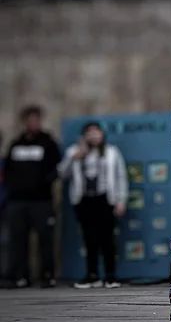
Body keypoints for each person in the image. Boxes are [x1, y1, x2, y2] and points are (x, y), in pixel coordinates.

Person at [59, 122, 128, 288]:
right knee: (89, 239)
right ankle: (92, 275)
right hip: (83, 200)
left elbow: (121, 177)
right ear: (84, 136)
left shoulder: (111, 152)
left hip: (105, 199)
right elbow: (62, 173)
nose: (93, 136)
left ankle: (111, 276)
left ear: (102, 134)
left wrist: (121, 201)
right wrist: (73, 158)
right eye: (89, 133)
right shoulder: (73, 152)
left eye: (96, 132)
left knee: (107, 238)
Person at [4, 106, 61, 288]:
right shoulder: (16, 144)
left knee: (45, 239)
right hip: (17, 201)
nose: (33, 123)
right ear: (24, 122)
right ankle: (21, 276)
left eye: (36, 120)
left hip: (41, 201)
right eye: (29, 120)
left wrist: (43, 182)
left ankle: (47, 274)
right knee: (18, 240)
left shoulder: (48, 143)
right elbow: (8, 170)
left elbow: (56, 168)